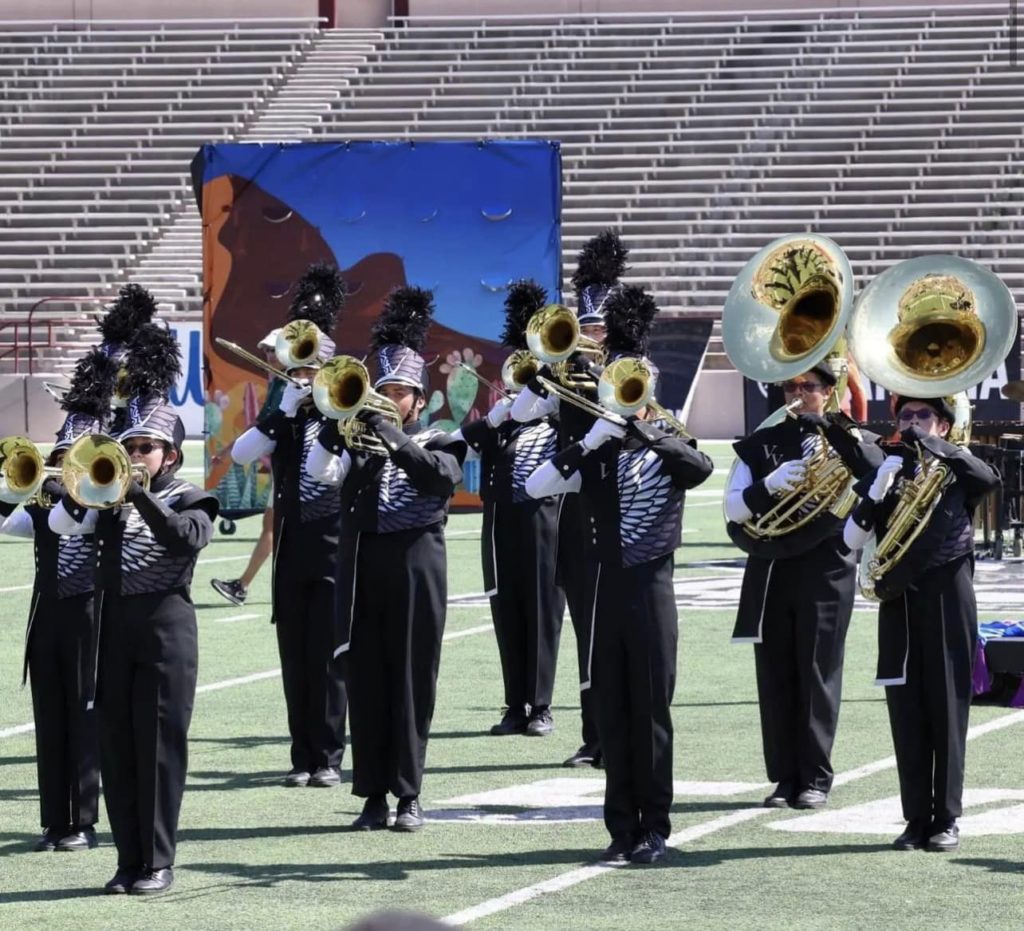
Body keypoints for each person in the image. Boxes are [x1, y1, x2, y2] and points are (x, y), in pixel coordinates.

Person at [526, 285, 714, 865]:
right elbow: (536, 486)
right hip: (606, 588)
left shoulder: (668, 438)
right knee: (613, 708)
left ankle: (655, 824)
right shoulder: (598, 447)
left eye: (638, 389)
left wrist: (650, 432)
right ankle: (619, 828)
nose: (630, 397)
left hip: (652, 590)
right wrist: (592, 438)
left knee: (653, 709)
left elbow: (699, 467)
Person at [49, 321, 219, 896]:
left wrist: (139, 492)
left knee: (158, 749)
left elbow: (183, 540)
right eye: (131, 447)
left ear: (170, 453)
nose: (136, 454)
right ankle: (128, 860)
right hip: (114, 630)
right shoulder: (109, 499)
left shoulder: (192, 495)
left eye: (146, 447)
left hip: (166, 631)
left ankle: (158, 860)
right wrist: (83, 495)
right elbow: (58, 525)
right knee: (118, 747)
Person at [305, 285, 466, 832]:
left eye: (402, 392)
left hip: (418, 564)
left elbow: (441, 480)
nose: (391, 398)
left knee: (412, 679)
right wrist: (334, 425)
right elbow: (317, 474)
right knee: (367, 679)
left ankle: (409, 794)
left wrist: (392, 435)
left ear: (419, 402)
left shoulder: (442, 438)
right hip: (364, 562)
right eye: (386, 388)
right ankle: (373, 794)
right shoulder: (353, 439)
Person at [843, 395, 999, 852]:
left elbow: (988, 480)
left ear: (944, 426)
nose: (912, 424)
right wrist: (876, 490)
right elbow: (852, 538)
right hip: (900, 603)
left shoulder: (959, 467)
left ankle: (947, 818)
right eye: (905, 417)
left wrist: (936, 448)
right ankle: (915, 818)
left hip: (949, 595)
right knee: (906, 711)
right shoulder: (889, 468)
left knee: (947, 710)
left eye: (923, 416)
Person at [725, 363, 883, 811]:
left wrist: (835, 431)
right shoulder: (762, 442)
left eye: (808, 386)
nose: (797, 394)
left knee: (817, 670)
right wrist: (769, 486)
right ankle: (783, 776)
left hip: (826, 567)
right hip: (772, 567)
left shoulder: (855, 439)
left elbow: (876, 474)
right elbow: (735, 509)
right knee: (775, 674)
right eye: (790, 386)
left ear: (829, 391)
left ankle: (815, 776)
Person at [511, 229, 629, 768]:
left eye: (599, 329)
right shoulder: (560, 374)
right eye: (585, 329)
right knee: (585, 628)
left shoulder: (634, 372)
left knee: (625, 635)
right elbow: (518, 415)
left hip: (628, 515)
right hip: (580, 513)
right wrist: (549, 375)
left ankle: (624, 732)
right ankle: (594, 736)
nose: (591, 338)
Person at [230, 264, 349, 788]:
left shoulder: (342, 412)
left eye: (307, 369)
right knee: (295, 655)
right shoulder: (283, 413)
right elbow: (241, 454)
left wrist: (320, 411)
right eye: (295, 368)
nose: (300, 376)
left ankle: (329, 755)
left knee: (326, 654)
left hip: (333, 544)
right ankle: (302, 755)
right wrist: (283, 409)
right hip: (292, 550)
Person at [0, 349, 116, 853]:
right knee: (51, 718)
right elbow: (13, 524)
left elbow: (81, 522)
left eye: (78, 459)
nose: (68, 468)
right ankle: (55, 821)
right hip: (47, 616)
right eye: (63, 457)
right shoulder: (46, 498)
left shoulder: (107, 498)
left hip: (92, 616)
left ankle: (84, 821)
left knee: (85, 718)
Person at [454, 280, 564, 737]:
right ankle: (513, 703)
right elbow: (461, 444)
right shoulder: (498, 425)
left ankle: (540, 705)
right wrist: (498, 415)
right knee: (507, 609)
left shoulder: (560, 418)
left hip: (543, 523)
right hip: (500, 525)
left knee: (542, 610)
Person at [211, 329, 282, 606]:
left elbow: (263, 427)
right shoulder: (278, 383)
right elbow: (260, 427)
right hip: (284, 467)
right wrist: (229, 450)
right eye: (266, 350)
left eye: (273, 350)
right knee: (273, 528)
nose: (268, 355)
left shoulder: (286, 384)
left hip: (291, 469)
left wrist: (230, 452)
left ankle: (242, 586)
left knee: (272, 528)